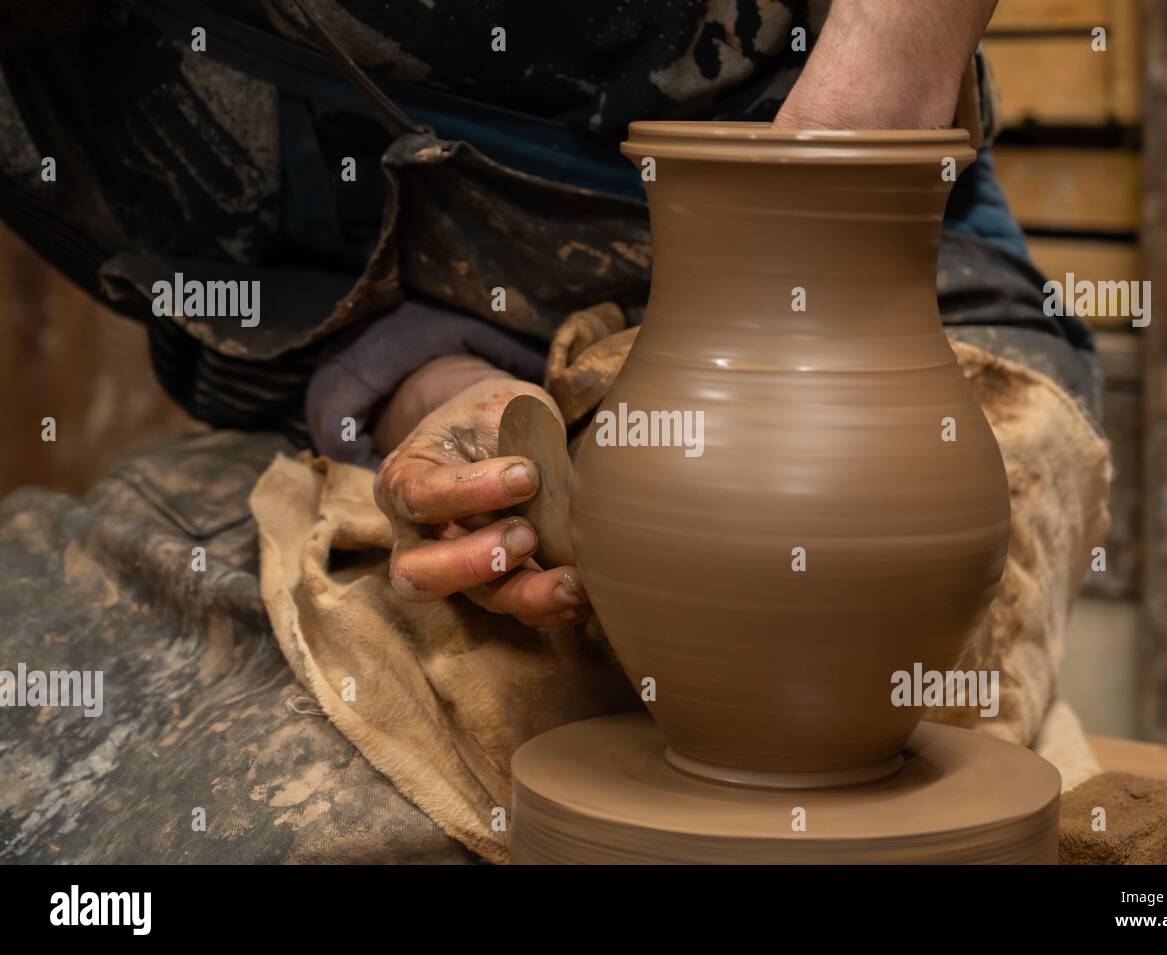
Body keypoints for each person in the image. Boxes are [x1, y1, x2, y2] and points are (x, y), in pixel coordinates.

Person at [0, 1, 1107, 862]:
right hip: (411, 397)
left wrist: (850, 144)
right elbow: (248, 301)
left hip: (876, 321)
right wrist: (425, 403)